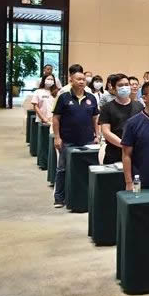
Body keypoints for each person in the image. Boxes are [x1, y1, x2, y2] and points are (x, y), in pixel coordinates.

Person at [52, 64, 100, 207]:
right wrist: (57, 137)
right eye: (78, 79)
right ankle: (59, 198)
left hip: (88, 140)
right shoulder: (64, 97)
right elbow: (56, 118)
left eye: (83, 79)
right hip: (67, 140)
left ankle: (87, 197)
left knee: (88, 168)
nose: (81, 82)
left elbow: (95, 119)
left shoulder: (91, 97)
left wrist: (97, 135)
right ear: (71, 80)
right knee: (62, 169)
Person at [99, 74, 144, 164]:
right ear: (114, 88)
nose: (124, 87)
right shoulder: (107, 108)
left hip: (136, 152)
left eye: (127, 84)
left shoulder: (139, 106)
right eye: (120, 85)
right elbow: (106, 131)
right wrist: (125, 145)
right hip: (114, 152)